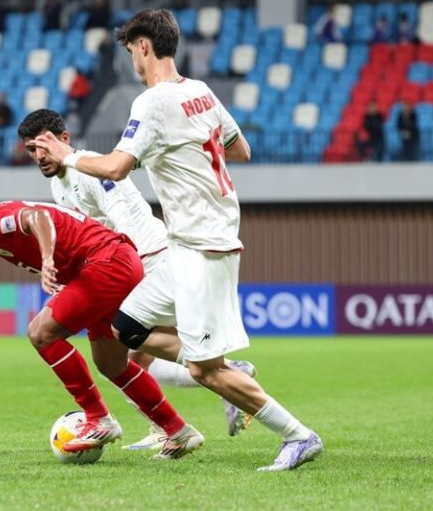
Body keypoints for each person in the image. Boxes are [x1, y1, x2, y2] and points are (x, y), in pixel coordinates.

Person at [33, 8, 323, 471]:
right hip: (186, 245)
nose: (132, 60)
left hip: (203, 247)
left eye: (131, 50)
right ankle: (224, 370)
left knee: (205, 370)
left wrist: (69, 155)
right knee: (125, 326)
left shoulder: (152, 102)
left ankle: (298, 435)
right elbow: (240, 149)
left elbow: (115, 167)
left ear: (144, 46)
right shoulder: (201, 92)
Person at [19, 108, 257, 451]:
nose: (40, 156)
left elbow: (125, 216)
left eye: (45, 146)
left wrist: (124, 269)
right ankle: (172, 422)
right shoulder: (61, 184)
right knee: (128, 361)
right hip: (129, 263)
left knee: (125, 358)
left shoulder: (89, 166)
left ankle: (228, 376)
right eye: (32, 150)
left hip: (147, 259)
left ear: (64, 140)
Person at [0, 189, 205, 459]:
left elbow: (36, 217)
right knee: (111, 363)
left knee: (40, 333)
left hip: (105, 264)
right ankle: (178, 431)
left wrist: (48, 258)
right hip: (112, 262)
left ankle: (98, 418)